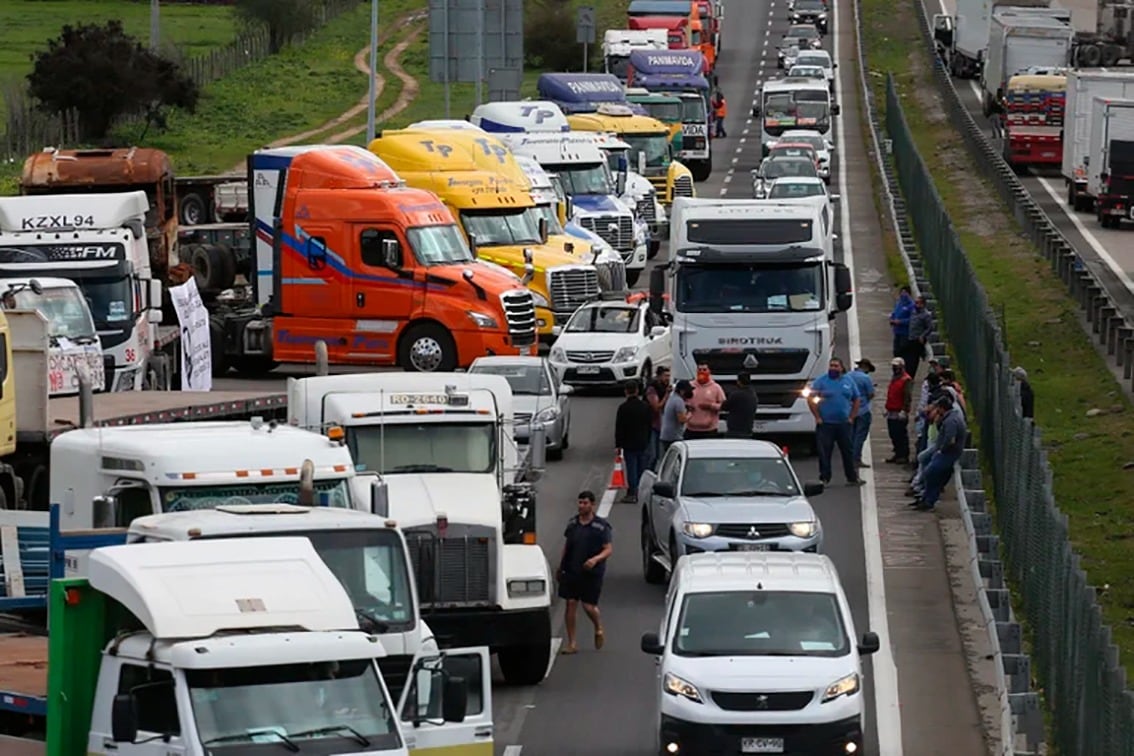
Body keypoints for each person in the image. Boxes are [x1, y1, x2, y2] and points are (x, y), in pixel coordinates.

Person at [557, 491, 613, 654]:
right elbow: (567, 546)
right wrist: (561, 567)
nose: (581, 506)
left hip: (591, 572)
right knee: (570, 603)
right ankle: (572, 643)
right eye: (580, 502)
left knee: (588, 606)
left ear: (592, 505)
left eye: (585, 503)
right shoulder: (573, 524)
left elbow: (608, 549)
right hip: (572, 569)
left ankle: (598, 627)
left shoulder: (601, 527)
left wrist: (595, 560)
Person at [807, 358, 863, 486]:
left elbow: (856, 399)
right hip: (826, 424)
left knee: (848, 451)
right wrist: (817, 417)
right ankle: (824, 478)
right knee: (824, 452)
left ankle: (852, 478)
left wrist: (852, 417)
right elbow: (810, 398)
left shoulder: (848, 381)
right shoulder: (821, 381)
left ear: (841, 368)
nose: (833, 368)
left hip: (844, 424)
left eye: (836, 366)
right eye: (831, 365)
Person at [913, 395, 969, 511]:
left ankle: (928, 500)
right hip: (947, 452)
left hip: (949, 453)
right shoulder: (950, 417)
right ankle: (926, 498)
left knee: (931, 472)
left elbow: (950, 439)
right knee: (933, 473)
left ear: (942, 408)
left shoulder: (951, 421)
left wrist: (941, 450)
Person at [615, 380, 653, 502]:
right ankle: (642, 492)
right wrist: (648, 439)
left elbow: (619, 427)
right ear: (637, 391)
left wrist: (618, 445)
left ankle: (632, 493)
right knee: (642, 468)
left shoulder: (623, 408)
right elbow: (649, 424)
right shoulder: (645, 407)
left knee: (631, 469)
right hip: (643, 441)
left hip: (629, 443)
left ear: (626, 391)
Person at [884, 357, 914, 464]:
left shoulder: (906, 379)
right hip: (891, 409)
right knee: (893, 433)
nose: (894, 369)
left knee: (900, 434)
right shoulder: (895, 378)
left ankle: (903, 455)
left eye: (896, 367)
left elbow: (907, 396)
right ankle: (897, 453)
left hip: (899, 410)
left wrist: (904, 410)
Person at [685, 364, 726, 440]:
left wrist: (711, 406)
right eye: (699, 370)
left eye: (704, 370)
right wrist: (687, 406)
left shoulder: (716, 387)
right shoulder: (689, 385)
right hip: (691, 429)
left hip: (709, 430)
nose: (702, 372)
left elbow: (724, 406)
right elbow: (682, 401)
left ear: (709, 371)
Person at [848, 359, 876, 468]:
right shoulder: (865, 378)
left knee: (851, 435)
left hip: (849, 410)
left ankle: (849, 458)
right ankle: (856, 459)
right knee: (860, 436)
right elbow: (871, 394)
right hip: (863, 410)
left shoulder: (848, 376)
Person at [645, 365, 671, 468]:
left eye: (669, 376)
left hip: (661, 425)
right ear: (659, 376)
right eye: (665, 376)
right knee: (652, 455)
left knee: (659, 454)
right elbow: (656, 407)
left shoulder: (664, 387)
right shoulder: (652, 389)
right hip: (651, 424)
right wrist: (667, 395)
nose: (668, 378)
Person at [660, 380, 694, 455]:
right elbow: (682, 420)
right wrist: (690, 414)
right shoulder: (678, 401)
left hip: (667, 435)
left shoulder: (672, 398)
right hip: (673, 437)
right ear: (682, 391)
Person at [722, 372, 758, 438]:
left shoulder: (735, 394)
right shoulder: (753, 395)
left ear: (739, 382)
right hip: (747, 430)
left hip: (734, 431)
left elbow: (724, 407)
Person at [904, 295, 933, 379]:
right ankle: (907, 374)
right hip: (910, 338)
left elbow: (930, 327)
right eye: (915, 303)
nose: (916, 305)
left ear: (923, 304)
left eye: (918, 303)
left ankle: (910, 376)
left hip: (917, 340)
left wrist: (922, 336)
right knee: (908, 358)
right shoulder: (913, 312)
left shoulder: (925, 315)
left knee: (913, 360)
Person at [889, 286, 914, 358]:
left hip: (905, 332)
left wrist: (900, 322)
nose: (903, 294)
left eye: (905, 292)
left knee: (903, 349)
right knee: (896, 350)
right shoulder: (899, 303)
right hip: (897, 331)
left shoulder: (911, 305)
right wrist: (891, 319)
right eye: (902, 292)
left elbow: (912, 319)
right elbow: (894, 313)